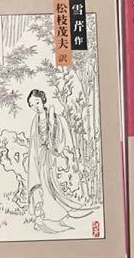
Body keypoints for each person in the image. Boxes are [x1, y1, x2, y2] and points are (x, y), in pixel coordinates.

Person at [23, 88, 92, 234]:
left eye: (37, 102)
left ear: (43, 101)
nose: (35, 106)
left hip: (52, 155)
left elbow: (60, 135)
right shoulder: (35, 120)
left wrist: (53, 145)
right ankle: (46, 213)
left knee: (52, 182)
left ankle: (58, 210)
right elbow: (34, 142)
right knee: (43, 182)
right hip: (40, 156)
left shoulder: (54, 116)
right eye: (32, 104)